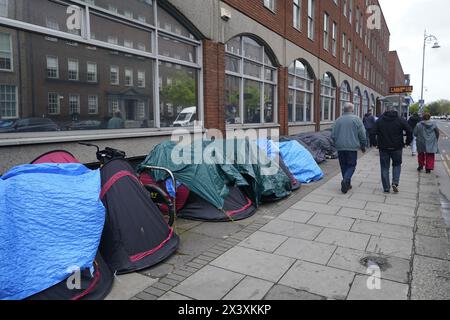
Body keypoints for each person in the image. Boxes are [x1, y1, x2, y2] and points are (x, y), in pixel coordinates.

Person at [373, 106, 413, 193]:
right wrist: (407, 143)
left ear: (385, 111)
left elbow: (372, 132)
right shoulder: (400, 119)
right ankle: (395, 182)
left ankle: (386, 187)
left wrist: (375, 144)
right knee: (397, 165)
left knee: (384, 167)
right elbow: (410, 131)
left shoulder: (380, 120)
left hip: (383, 147)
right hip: (397, 147)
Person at [331, 103, 367, 194]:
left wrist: (336, 143)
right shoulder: (356, 119)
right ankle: (346, 180)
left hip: (340, 147)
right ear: (352, 110)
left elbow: (333, 135)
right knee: (351, 165)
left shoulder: (338, 120)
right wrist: (363, 145)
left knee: (343, 165)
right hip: (352, 147)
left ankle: (347, 183)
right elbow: (362, 133)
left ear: (344, 110)